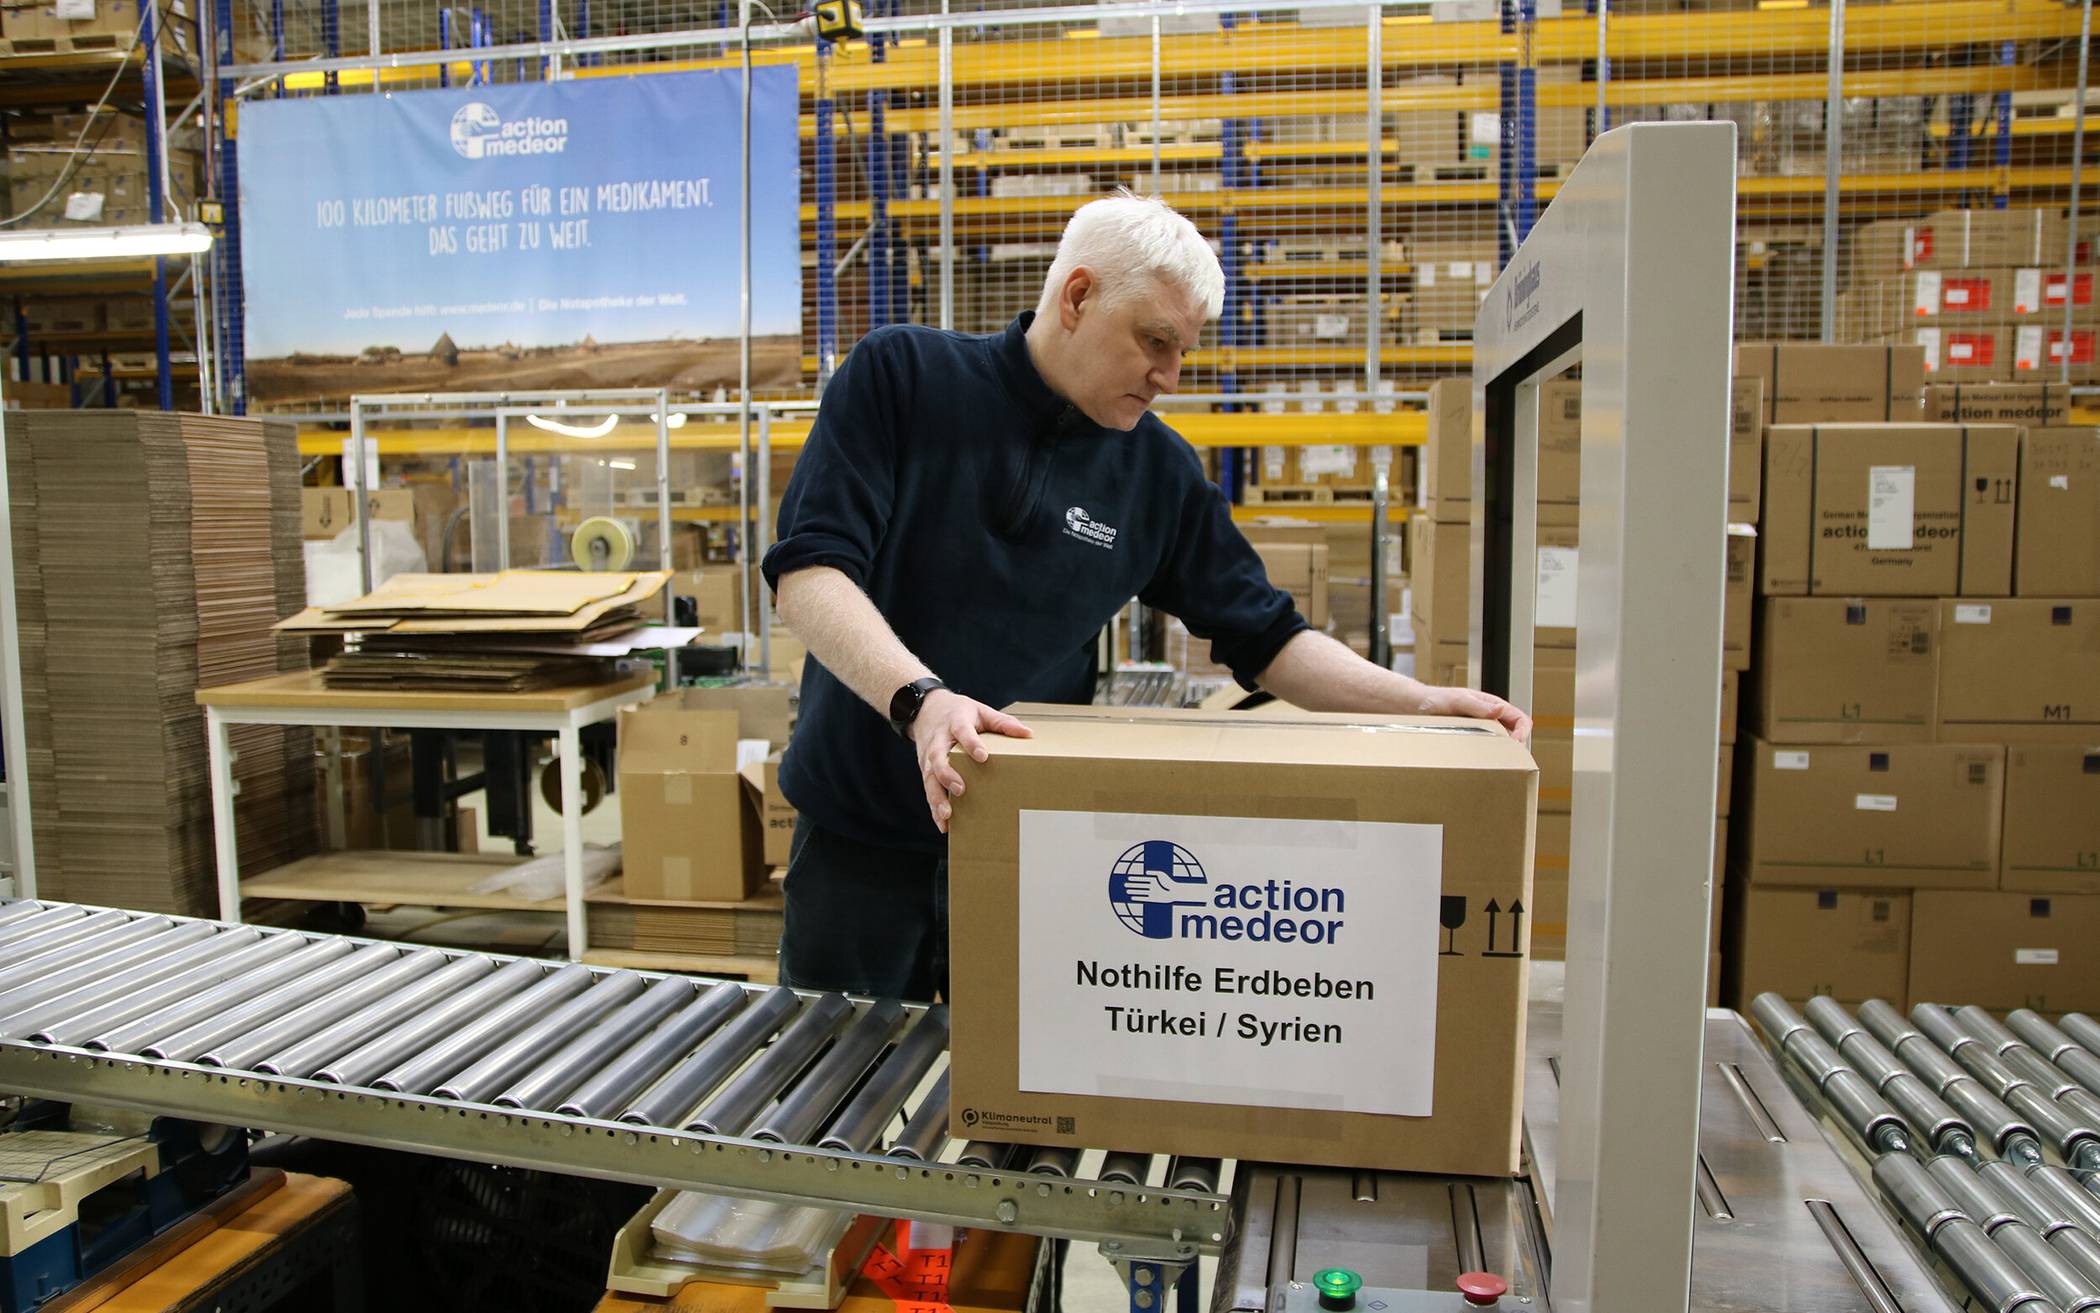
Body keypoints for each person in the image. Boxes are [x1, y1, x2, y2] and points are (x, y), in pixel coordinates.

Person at [761, 191, 1530, 1002]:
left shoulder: (1157, 475)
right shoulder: (905, 378)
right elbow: (809, 574)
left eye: (1183, 351)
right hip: (857, 850)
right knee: (835, 1075)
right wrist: (922, 702)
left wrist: (1421, 703)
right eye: (1155, 341)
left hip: (1022, 849)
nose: (1169, 376)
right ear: (1077, 296)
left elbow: (1270, 639)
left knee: (1021, 1080)